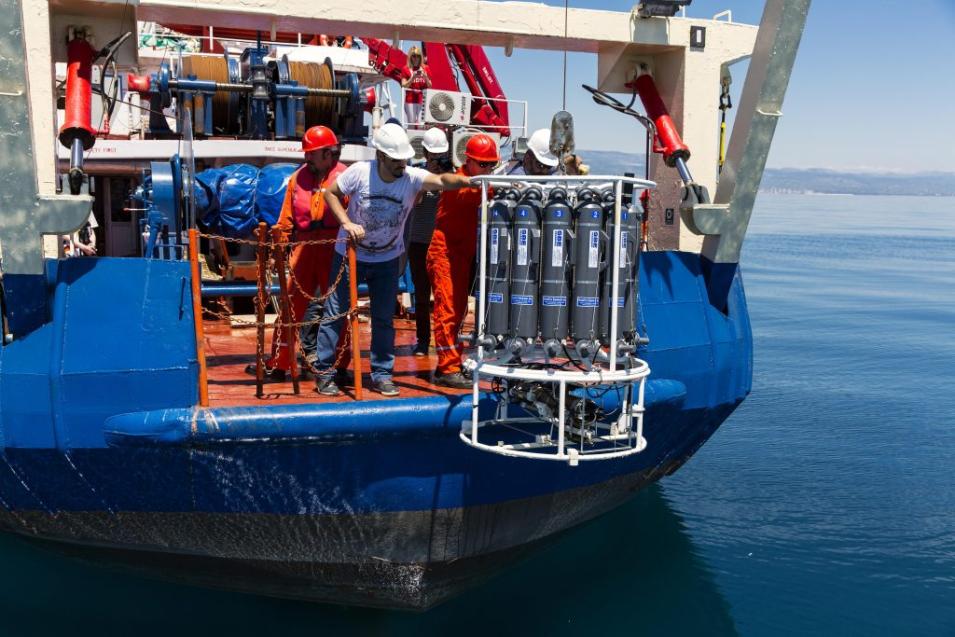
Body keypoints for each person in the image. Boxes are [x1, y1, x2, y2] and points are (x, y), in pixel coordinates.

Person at [307, 123, 473, 397]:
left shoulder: (411, 177)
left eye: (404, 159)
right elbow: (330, 193)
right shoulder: (361, 172)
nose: (402, 164)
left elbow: (444, 181)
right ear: (381, 157)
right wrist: (346, 222)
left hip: (386, 259)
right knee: (335, 313)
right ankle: (325, 372)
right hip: (350, 256)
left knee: (383, 319)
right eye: (396, 160)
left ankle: (382, 374)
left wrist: (471, 180)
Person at [247, 125, 349, 382]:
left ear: (328, 153)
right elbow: (285, 219)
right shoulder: (297, 178)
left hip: (333, 248)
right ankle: (281, 363)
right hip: (303, 249)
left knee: (337, 309)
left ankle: (339, 363)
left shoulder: (346, 177)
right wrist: (276, 251)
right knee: (290, 306)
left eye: (312, 154)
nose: (307, 158)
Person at [426, 133, 500, 388]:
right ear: (468, 161)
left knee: (458, 310)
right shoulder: (459, 184)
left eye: (492, 165)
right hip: (444, 252)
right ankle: (447, 368)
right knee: (446, 309)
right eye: (483, 164)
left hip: (461, 254)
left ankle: (452, 362)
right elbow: (481, 192)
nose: (488, 169)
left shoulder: (476, 182)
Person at [407, 127, 452, 356]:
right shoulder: (416, 175)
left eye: (440, 156)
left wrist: (444, 177)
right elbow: (413, 202)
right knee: (422, 296)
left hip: (443, 243)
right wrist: (428, 179)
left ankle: (446, 341)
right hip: (419, 243)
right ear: (424, 153)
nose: (436, 160)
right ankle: (423, 341)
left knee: (446, 295)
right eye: (433, 156)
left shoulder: (450, 176)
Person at [401, 46, 431, 126]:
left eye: (418, 56)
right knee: (411, 123)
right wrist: (412, 77)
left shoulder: (426, 68)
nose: (416, 58)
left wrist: (425, 76)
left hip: (422, 100)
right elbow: (403, 85)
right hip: (410, 100)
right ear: (410, 57)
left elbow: (430, 85)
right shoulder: (406, 69)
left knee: (422, 123)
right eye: (414, 56)